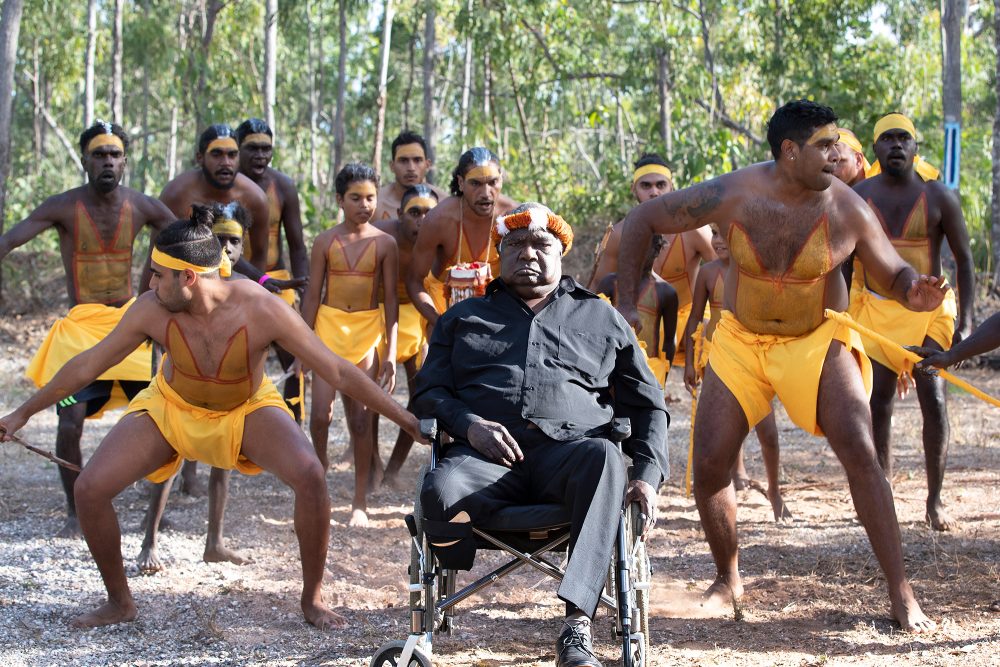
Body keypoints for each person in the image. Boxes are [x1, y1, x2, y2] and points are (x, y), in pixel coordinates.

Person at [0, 206, 424, 630]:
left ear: (188, 277)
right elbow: (87, 365)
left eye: (157, 275)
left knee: (310, 475)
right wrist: (20, 414)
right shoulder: (151, 308)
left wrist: (406, 419)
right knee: (90, 488)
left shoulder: (261, 308)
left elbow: (336, 370)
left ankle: (312, 599)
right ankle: (119, 602)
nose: (149, 283)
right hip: (170, 407)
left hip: (246, 408)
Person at [615, 100, 946, 632]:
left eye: (837, 143)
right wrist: (628, 300)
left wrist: (916, 291)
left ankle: (901, 591)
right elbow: (641, 219)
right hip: (740, 342)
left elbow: (894, 272)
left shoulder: (847, 208)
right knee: (710, 464)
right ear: (789, 151)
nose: (838, 154)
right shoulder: (733, 193)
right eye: (825, 145)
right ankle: (728, 580)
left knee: (861, 451)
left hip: (816, 342)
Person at [414, 203, 669, 667]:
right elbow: (428, 395)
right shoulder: (463, 318)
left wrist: (648, 475)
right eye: (515, 245)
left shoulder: (602, 318)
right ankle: (444, 585)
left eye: (540, 245)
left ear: (561, 254)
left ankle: (576, 627)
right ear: (499, 254)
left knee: (605, 458)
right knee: (439, 489)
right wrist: (469, 426)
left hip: (570, 462)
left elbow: (647, 403)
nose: (527, 254)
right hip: (485, 464)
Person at [0, 120, 174, 538]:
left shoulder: (142, 205)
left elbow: (196, 241)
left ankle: (155, 511)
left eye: (114, 155)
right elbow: (9, 241)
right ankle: (76, 510)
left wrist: (253, 280)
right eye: (100, 155)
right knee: (70, 422)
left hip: (131, 323)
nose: (107, 162)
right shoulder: (62, 206)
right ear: (85, 160)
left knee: (160, 416)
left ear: (125, 161)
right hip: (81, 326)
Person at [136, 202, 299, 572]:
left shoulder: (248, 293)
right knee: (170, 459)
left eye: (234, 242)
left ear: (244, 248)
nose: (227, 248)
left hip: (231, 399)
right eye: (220, 239)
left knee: (223, 464)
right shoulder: (182, 283)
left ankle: (215, 542)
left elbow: (282, 336)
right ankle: (149, 538)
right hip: (181, 392)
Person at [848, 113, 975, 532]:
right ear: (876, 149)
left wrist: (967, 321)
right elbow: (844, 264)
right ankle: (882, 494)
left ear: (916, 148)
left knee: (933, 398)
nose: (897, 146)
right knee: (878, 401)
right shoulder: (858, 196)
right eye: (888, 139)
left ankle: (934, 499)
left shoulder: (939, 197)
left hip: (931, 313)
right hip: (878, 312)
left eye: (904, 138)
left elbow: (964, 261)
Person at [159, 123, 272, 495]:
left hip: (232, 298)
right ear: (199, 157)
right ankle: (177, 468)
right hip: (181, 296)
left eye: (231, 154)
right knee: (178, 381)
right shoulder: (178, 192)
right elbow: (162, 256)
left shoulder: (254, 195)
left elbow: (251, 257)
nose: (226, 162)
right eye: (217, 154)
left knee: (229, 388)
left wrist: (265, 289)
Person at [301, 163, 398, 527]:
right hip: (328, 330)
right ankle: (320, 478)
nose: (364, 204)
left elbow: (390, 302)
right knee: (320, 416)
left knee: (361, 420)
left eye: (370, 197)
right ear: (340, 199)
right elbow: (312, 295)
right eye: (355, 197)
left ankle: (360, 501)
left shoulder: (385, 243)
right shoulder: (326, 241)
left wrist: (388, 352)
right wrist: (303, 346)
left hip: (365, 332)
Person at [683, 225, 789, 521]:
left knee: (768, 432)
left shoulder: (758, 270)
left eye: (725, 234)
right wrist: (691, 363)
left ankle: (775, 492)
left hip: (754, 358)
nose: (718, 241)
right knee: (723, 431)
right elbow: (695, 319)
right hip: (719, 360)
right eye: (714, 233)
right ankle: (717, 492)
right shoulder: (707, 273)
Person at [588, 154, 715, 371]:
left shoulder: (695, 231)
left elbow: (724, 276)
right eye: (646, 185)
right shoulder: (618, 235)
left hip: (688, 323)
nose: (654, 192)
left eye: (660, 185)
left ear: (671, 186)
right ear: (633, 189)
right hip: (642, 320)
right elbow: (598, 292)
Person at [235, 118, 309, 421]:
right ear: (237, 149)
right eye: (252, 148)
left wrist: (304, 288)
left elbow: (297, 244)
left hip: (277, 282)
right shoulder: (227, 187)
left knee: (294, 358)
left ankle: (294, 425)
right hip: (235, 281)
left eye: (266, 149)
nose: (260, 156)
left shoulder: (283, 186)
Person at [405, 147, 517, 325]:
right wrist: (440, 322)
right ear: (461, 183)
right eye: (475, 183)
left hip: (497, 308)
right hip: (443, 307)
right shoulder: (439, 220)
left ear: (501, 180)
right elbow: (414, 281)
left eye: (492, 182)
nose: (485, 193)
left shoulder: (514, 218)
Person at [375, 185, 440, 486]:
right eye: (415, 212)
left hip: (421, 313)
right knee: (372, 392)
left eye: (430, 213)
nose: (423, 220)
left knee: (420, 395)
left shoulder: (443, 239)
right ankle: (371, 462)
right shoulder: (380, 234)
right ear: (400, 214)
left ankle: (393, 470)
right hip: (380, 314)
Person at [595, 234, 678, 388]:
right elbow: (596, 327)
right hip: (611, 367)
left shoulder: (665, 292)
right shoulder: (609, 283)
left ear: (657, 250)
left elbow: (669, 340)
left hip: (648, 372)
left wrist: (662, 376)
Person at [373, 131, 448, 221]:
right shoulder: (375, 203)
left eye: (417, 160)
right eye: (403, 160)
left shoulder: (444, 203)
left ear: (427, 165)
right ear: (392, 166)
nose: (411, 168)